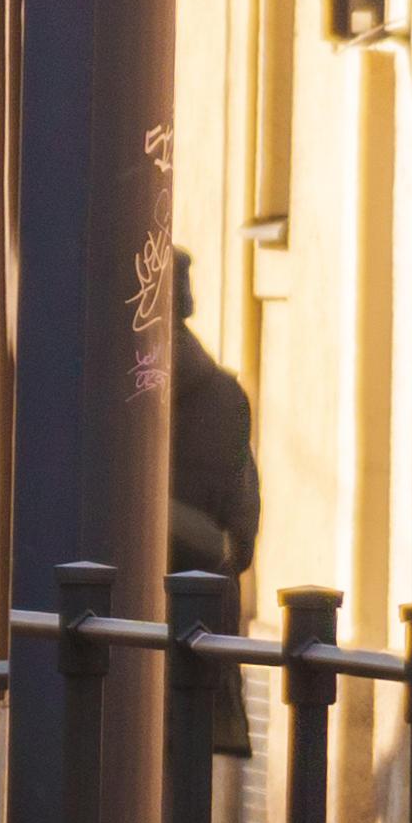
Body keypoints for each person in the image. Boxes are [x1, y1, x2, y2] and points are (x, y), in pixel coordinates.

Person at [168, 249, 260, 582]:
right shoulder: (226, 395)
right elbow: (242, 537)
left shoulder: (102, 387)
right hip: (207, 612)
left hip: (109, 613)